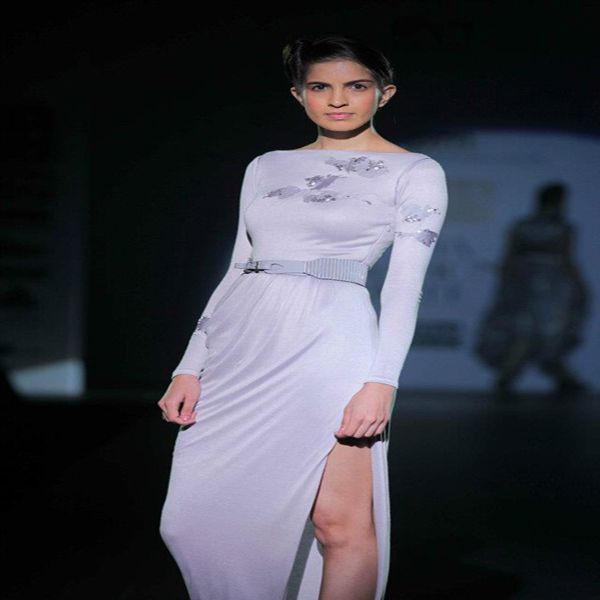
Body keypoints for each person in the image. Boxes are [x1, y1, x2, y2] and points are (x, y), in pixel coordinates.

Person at [158, 33, 448, 600]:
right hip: (240, 345)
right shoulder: (266, 166)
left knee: (338, 523)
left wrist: (381, 382)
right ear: (298, 95)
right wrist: (189, 364)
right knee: (187, 524)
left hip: (330, 345)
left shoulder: (415, 170)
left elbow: (403, 288)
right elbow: (238, 267)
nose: (337, 99)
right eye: (320, 87)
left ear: (384, 94)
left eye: (356, 86)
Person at [475, 182, 589, 397]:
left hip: (537, 286)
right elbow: (567, 259)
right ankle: (511, 378)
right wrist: (582, 286)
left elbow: (510, 256)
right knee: (534, 333)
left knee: (537, 334)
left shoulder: (525, 226)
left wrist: (504, 285)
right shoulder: (560, 228)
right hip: (542, 287)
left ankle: (520, 377)